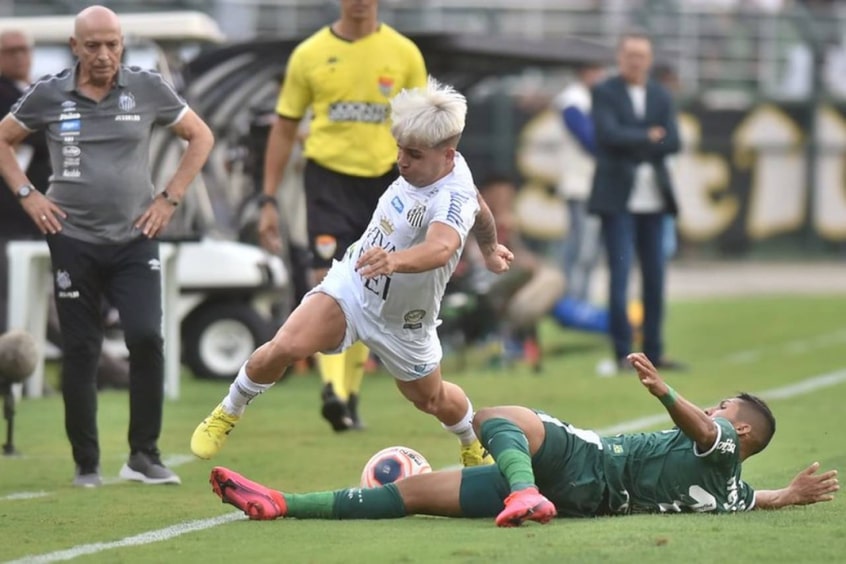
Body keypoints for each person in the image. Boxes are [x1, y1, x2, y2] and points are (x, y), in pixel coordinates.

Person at [191, 77, 514, 467]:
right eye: (400, 150)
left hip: (406, 322)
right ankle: (228, 410)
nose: (402, 161)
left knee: (431, 400)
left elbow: (442, 245)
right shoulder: (444, 167)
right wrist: (491, 247)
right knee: (286, 346)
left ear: (446, 156)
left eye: (413, 154)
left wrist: (396, 261)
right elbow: (482, 209)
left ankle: (469, 441)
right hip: (354, 288)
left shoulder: (452, 194)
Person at [207, 353, 839, 526]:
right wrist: (789, 495)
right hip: (587, 501)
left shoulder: (724, 441)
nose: (714, 410)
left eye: (724, 408)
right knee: (419, 493)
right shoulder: (729, 491)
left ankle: (523, 491)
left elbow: (704, 429)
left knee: (496, 418)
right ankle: (283, 502)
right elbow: (752, 499)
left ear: (743, 429)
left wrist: (666, 395)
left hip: (590, 463)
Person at [0, 5, 214, 487]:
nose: (103, 55)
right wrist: (28, 196)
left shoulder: (147, 88)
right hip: (72, 239)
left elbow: (200, 136)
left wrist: (169, 198)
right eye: (92, 45)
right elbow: (3, 140)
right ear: (75, 47)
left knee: (146, 337)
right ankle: (86, 464)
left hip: (136, 239)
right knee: (81, 348)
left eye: (111, 44)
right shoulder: (50, 93)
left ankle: (144, 455)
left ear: (122, 44)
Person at [257, 0, 427, 431]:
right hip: (327, 180)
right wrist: (268, 198)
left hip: (386, 181)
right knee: (327, 279)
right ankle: (334, 388)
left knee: (372, 285)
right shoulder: (310, 54)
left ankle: (347, 394)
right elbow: (284, 127)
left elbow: (425, 128)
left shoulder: (404, 53)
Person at [588, 30, 682, 373]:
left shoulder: (660, 94)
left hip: (654, 198)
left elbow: (673, 140)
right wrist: (647, 135)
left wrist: (639, 138)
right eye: (630, 55)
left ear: (650, 59)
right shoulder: (605, 91)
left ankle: (655, 351)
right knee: (620, 275)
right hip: (619, 198)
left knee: (655, 276)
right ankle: (622, 353)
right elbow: (608, 135)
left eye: (642, 55)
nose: (636, 61)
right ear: (619, 57)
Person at [0, 29, 50, 331]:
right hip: (10, 215)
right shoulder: (7, 95)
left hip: (35, 214)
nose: (20, 57)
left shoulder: (34, 91)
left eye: (24, 49)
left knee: (32, 295)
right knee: (12, 294)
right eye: (10, 51)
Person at [553, 62, 605, 303]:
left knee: (584, 245)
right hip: (580, 183)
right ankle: (573, 298)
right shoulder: (573, 99)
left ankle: (576, 296)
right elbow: (590, 140)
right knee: (582, 246)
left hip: (589, 182)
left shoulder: (586, 98)